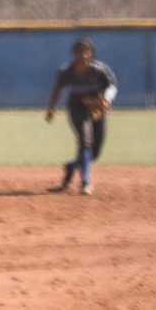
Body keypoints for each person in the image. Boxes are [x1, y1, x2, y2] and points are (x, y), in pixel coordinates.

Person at [45, 37, 117, 196]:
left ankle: (72, 166)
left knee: (95, 152)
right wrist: (51, 108)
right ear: (73, 53)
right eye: (79, 51)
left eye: (86, 50)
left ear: (91, 53)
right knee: (86, 141)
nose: (83, 54)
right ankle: (86, 182)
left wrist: (106, 99)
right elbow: (57, 88)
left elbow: (111, 86)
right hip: (76, 107)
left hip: (96, 108)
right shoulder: (66, 72)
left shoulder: (99, 69)